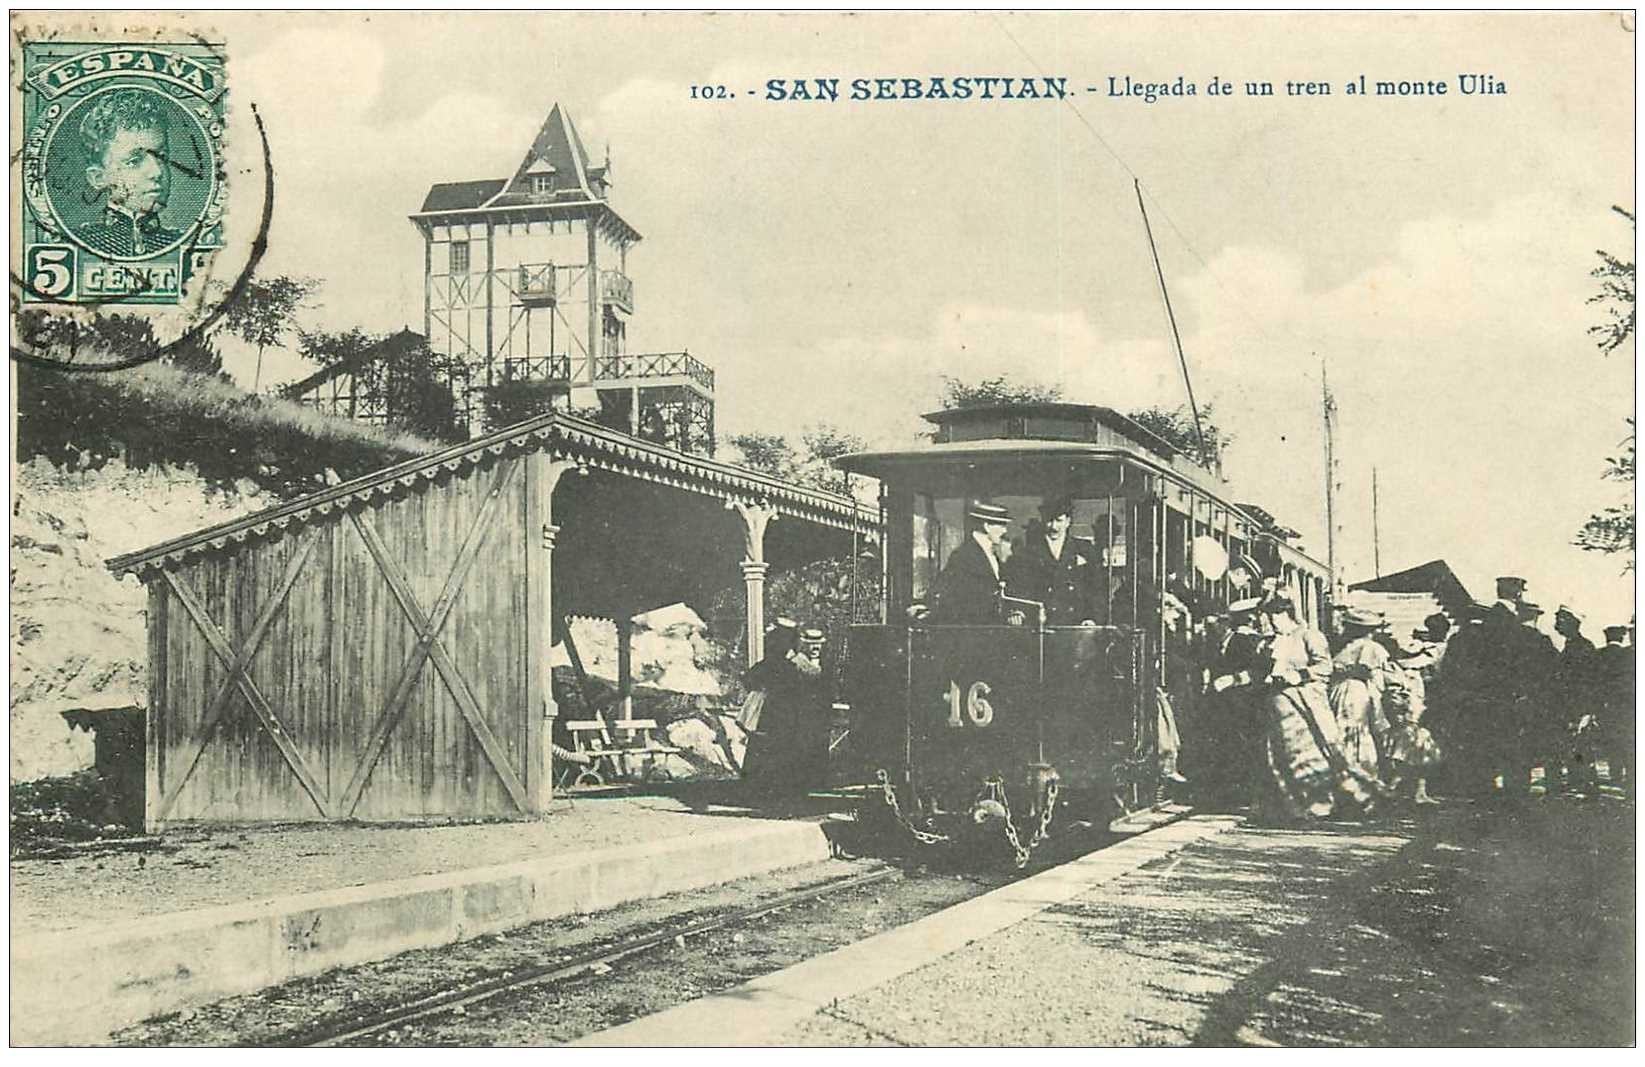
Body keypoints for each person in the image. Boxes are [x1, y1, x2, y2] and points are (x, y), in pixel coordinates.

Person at [1255, 594, 1381, 822]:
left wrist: (1298, 675)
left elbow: (1325, 666)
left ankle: (1324, 804)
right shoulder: (1270, 641)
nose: (1270, 622)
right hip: (1277, 704)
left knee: (1312, 752)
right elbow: (1262, 670)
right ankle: (1291, 806)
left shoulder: (1309, 636)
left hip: (1305, 705)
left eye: (1273, 616)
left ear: (1285, 613)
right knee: (1282, 754)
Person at [75, 89, 186, 257]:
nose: (157, 172)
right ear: (98, 178)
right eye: (134, 161)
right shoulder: (79, 244)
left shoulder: (182, 244)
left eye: (161, 157)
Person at [740, 619, 828, 796]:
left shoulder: (786, 661)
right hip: (784, 715)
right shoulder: (790, 662)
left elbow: (750, 678)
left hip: (782, 715)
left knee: (770, 751)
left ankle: (763, 787)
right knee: (778, 751)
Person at [1004, 496, 1101, 625]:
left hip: (1076, 624)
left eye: (1059, 521)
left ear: (1068, 521)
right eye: (1049, 520)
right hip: (1041, 624)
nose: (1054, 526)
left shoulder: (1085, 549)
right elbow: (1021, 587)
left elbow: (1095, 589)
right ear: (1043, 520)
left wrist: (1091, 617)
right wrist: (1018, 612)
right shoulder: (1029, 553)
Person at [1328, 608, 1391, 781]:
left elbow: (1368, 671)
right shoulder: (1355, 646)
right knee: (1346, 728)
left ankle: (1357, 773)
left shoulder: (1366, 648)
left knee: (1352, 728)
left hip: (1352, 690)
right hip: (1347, 690)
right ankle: (1349, 774)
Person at [933, 500, 1013, 624]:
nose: (1005, 531)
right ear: (987, 526)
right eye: (1002, 525)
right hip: (973, 629)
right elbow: (948, 590)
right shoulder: (964, 555)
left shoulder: (991, 554)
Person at [1553, 605, 1601, 792]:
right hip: (1570, 707)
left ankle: (1587, 786)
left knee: (1581, 746)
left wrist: (1587, 712)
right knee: (1575, 746)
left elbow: (1590, 682)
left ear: (1573, 622)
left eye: (1561, 619)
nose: (1556, 623)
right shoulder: (1571, 645)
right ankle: (1579, 784)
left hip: (1579, 708)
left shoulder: (1582, 647)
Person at [1598, 625, 1635, 790]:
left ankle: (1616, 775)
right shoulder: (1626, 654)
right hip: (1628, 705)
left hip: (1610, 705)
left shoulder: (1604, 654)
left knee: (1614, 741)